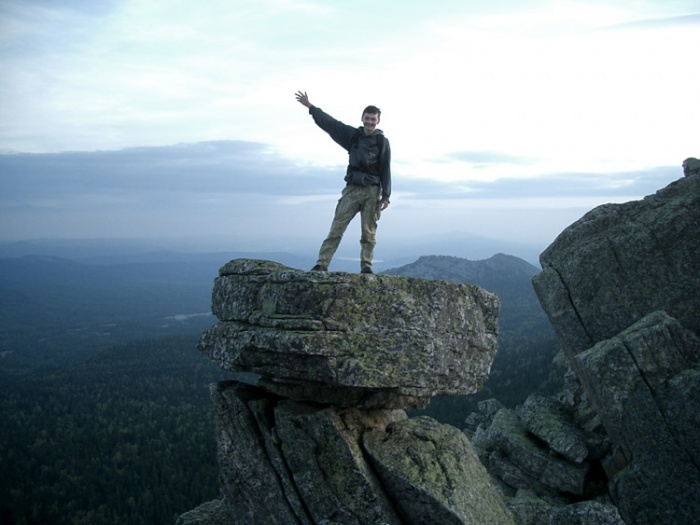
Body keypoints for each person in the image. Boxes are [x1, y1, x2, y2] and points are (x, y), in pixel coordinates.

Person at [295, 90, 391, 274]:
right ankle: (322, 263)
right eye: (368, 118)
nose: (370, 122)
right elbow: (331, 124)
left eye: (374, 119)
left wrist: (385, 195)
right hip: (353, 188)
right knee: (337, 227)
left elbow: (386, 168)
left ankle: (366, 266)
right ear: (362, 118)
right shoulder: (353, 136)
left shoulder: (382, 142)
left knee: (369, 232)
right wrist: (311, 107)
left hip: (372, 190)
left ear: (378, 121)